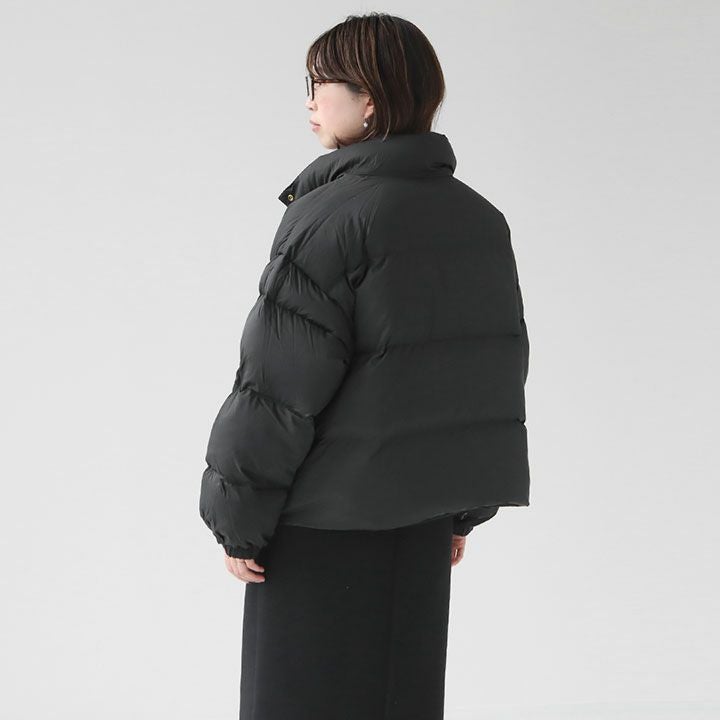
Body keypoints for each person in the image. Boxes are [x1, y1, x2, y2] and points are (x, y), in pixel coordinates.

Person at [199, 12, 530, 720]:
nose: (309, 101)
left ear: (370, 99)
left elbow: (278, 384)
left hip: (323, 529)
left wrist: (238, 516)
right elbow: (488, 370)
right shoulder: (479, 217)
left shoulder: (333, 216)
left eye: (320, 83)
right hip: (422, 525)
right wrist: (461, 510)